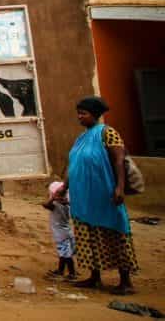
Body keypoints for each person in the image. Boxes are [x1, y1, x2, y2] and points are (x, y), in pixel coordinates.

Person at [56, 96, 137, 295]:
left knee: (115, 232)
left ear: (94, 114)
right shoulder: (81, 138)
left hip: (104, 193)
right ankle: (94, 276)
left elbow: (119, 160)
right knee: (87, 234)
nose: (79, 117)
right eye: (79, 113)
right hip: (84, 196)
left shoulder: (108, 133)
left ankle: (125, 280)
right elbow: (75, 165)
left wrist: (119, 187)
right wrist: (64, 187)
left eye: (83, 114)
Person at [42, 180, 76, 280]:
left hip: (61, 235)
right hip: (67, 232)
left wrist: (53, 198)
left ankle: (72, 273)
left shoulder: (56, 206)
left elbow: (45, 205)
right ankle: (60, 270)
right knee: (64, 254)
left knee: (66, 255)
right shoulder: (68, 205)